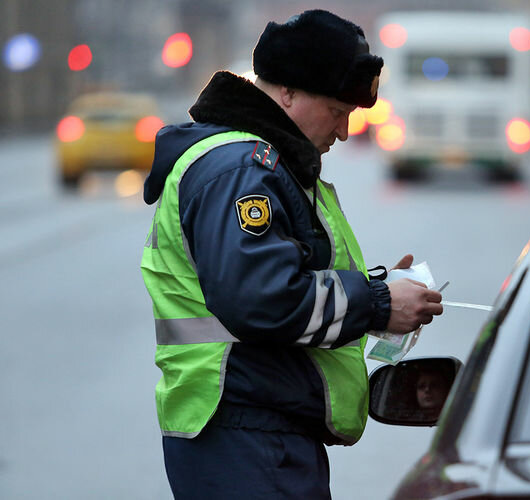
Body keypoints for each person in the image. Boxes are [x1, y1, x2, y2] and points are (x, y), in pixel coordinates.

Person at [140, 9, 443, 499]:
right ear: (288, 93)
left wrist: (378, 293)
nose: (343, 132)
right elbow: (262, 299)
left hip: (255, 431)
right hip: (245, 434)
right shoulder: (241, 170)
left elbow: (281, 278)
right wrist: (379, 302)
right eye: (337, 112)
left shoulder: (258, 164)